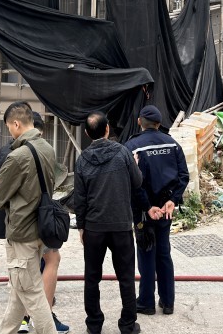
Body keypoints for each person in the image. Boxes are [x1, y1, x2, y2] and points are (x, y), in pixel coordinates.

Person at [0, 113, 69, 334]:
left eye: (9, 127)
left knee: (33, 295)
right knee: (19, 293)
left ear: (16, 124)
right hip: (39, 229)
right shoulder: (47, 147)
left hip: (22, 233)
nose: (10, 132)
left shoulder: (18, 156)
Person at [72, 112, 142, 334]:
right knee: (126, 277)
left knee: (92, 278)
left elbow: (79, 200)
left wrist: (81, 226)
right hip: (121, 225)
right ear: (107, 129)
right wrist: (135, 164)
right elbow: (138, 182)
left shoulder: (82, 160)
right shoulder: (122, 153)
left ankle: (94, 325)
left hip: (94, 227)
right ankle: (128, 325)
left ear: (86, 133)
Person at [125, 105, 190, 316]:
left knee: (146, 252)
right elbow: (183, 176)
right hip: (165, 210)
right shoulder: (173, 144)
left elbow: (133, 183)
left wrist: (146, 206)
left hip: (145, 211)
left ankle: (146, 302)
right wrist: (172, 200)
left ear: (139, 122)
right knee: (163, 252)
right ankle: (168, 301)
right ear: (159, 124)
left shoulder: (132, 147)